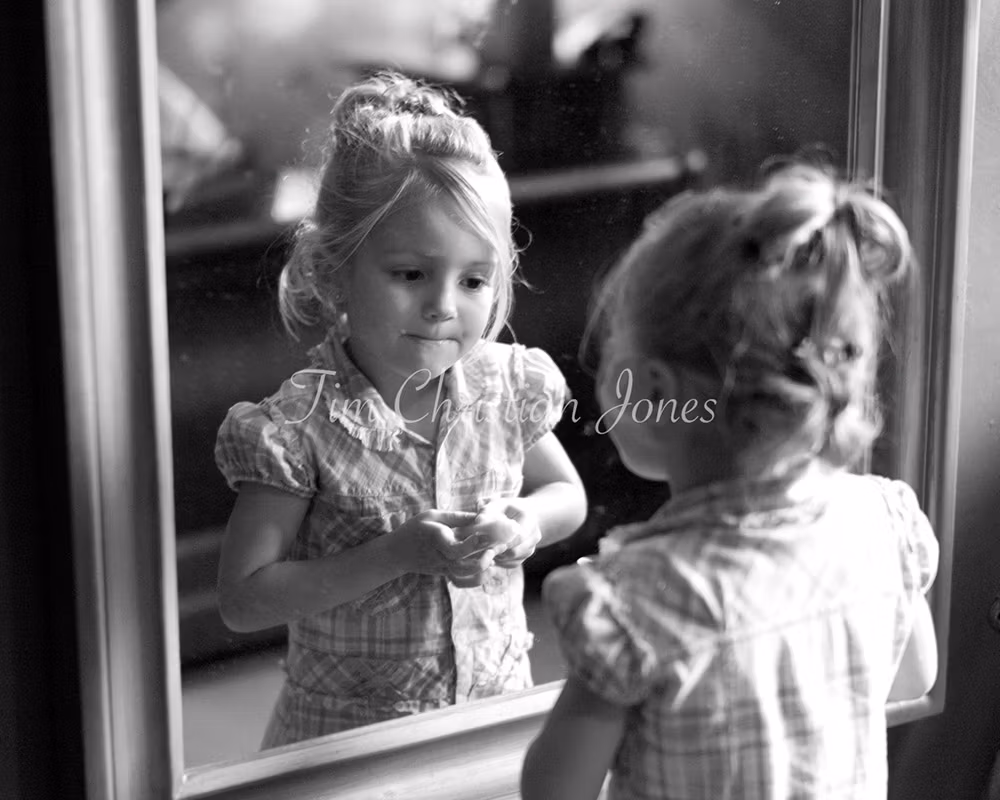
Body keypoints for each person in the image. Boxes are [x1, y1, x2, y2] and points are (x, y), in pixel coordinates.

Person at [521, 161, 939, 799]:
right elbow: (912, 679)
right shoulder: (884, 521)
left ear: (653, 390)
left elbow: (555, 790)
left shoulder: (637, 599)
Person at [214, 71, 587, 747]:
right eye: (411, 274)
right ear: (334, 270)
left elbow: (567, 495)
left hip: (490, 713)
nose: (445, 305)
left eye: (474, 280)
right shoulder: (299, 429)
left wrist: (525, 521)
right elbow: (243, 599)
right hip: (350, 742)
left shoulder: (506, 388)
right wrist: (395, 555)